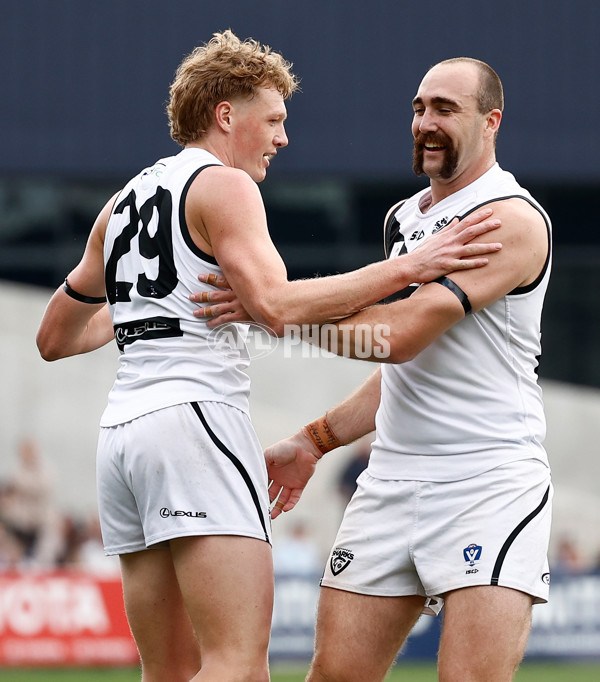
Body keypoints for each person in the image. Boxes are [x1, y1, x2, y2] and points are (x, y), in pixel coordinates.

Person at [36, 30, 502, 682]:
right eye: (275, 119)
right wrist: (412, 267)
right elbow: (277, 306)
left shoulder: (121, 204)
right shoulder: (225, 186)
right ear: (227, 115)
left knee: (167, 670)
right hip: (194, 420)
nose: (282, 138)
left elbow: (54, 337)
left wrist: (152, 308)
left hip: (122, 439)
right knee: (238, 666)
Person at [264, 57, 552, 682]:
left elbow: (396, 336)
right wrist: (316, 439)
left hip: (488, 479)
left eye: (446, 109)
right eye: (420, 108)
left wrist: (277, 312)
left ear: (491, 121)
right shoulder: (406, 218)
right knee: (334, 677)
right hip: (392, 479)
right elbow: (408, 369)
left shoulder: (509, 217)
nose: (426, 122)